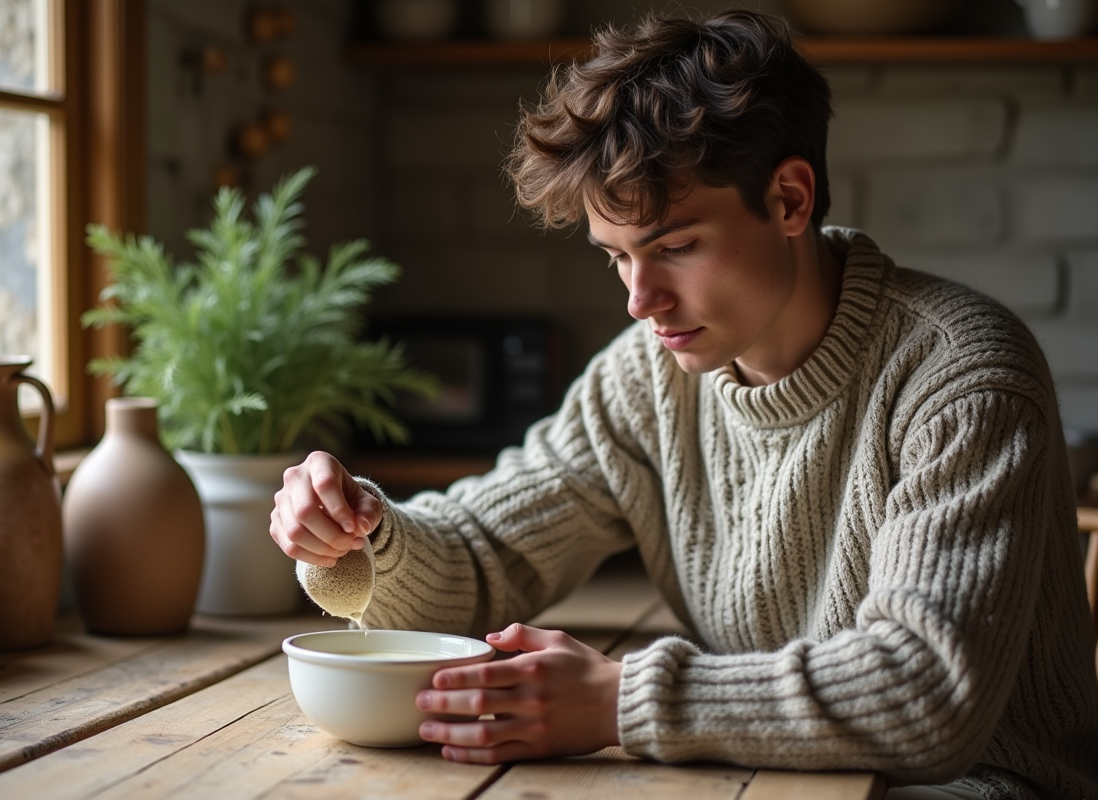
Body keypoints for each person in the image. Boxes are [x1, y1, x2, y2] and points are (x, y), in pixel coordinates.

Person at [270, 10, 1098, 799]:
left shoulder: (962, 376)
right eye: (617, 258)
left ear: (790, 200)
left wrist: (617, 699)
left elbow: (926, 692)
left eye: (674, 247)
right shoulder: (648, 378)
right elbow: (484, 556)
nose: (640, 299)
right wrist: (362, 530)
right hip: (761, 779)